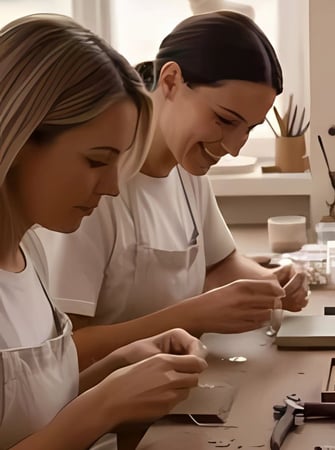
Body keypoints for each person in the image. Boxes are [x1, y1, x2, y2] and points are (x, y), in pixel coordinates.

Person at [35, 11, 309, 370]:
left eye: (249, 129)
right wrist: (194, 315)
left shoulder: (189, 169)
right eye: (225, 120)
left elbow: (220, 262)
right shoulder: (92, 191)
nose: (234, 147)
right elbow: (65, 350)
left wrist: (270, 286)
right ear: (171, 81)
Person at [0, 14, 207, 449]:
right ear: (17, 139)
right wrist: (106, 405)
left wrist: (120, 366)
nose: (113, 186)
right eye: (96, 161)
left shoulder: (28, 253)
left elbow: (35, 411)